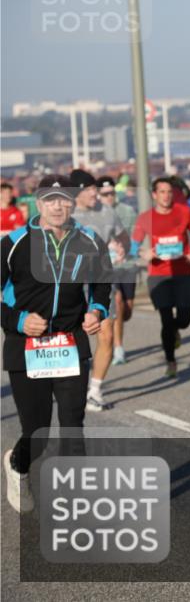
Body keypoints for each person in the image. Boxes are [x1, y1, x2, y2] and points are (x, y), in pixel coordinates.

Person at [2, 174, 111, 512]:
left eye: (64, 198)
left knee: (72, 425)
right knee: (37, 434)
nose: (58, 206)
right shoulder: (14, 243)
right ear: (39, 203)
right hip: (27, 347)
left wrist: (96, 310)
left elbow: (102, 285)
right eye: (51, 199)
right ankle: (17, 465)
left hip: (69, 343)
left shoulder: (90, 241)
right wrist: (20, 320)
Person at [68, 169, 129, 412]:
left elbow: (124, 237)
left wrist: (122, 247)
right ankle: (71, 384)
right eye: (89, 189)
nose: (95, 193)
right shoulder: (65, 215)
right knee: (73, 338)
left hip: (102, 282)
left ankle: (95, 390)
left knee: (106, 336)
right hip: (72, 284)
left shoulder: (107, 212)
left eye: (95, 188)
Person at [131, 177, 190, 378]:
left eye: (169, 192)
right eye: (161, 192)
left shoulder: (185, 212)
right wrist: (143, 254)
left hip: (182, 272)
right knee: (166, 319)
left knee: (184, 319)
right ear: (154, 195)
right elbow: (133, 245)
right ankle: (171, 360)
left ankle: (177, 330)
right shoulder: (145, 218)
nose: (166, 196)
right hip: (158, 276)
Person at [96, 176, 137, 366]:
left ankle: (117, 335)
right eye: (104, 195)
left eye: (111, 193)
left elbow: (135, 237)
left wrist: (128, 249)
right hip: (106, 269)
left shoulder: (127, 211)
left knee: (127, 310)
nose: (109, 197)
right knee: (117, 301)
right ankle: (118, 347)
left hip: (127, 266)